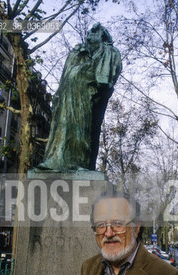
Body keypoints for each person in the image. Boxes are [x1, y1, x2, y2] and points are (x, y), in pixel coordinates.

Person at [38, 23, 122, 171]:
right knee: (63, 125)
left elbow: (107, 79)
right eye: (90, 31)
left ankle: (79, 162)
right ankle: (56, 160)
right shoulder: (77, 53)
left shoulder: (110, 52)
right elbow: (65, 77)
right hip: (66, 98)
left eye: (95, 32)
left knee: (88, 131)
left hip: (90, 98)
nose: (90, 33)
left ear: (103, 37)